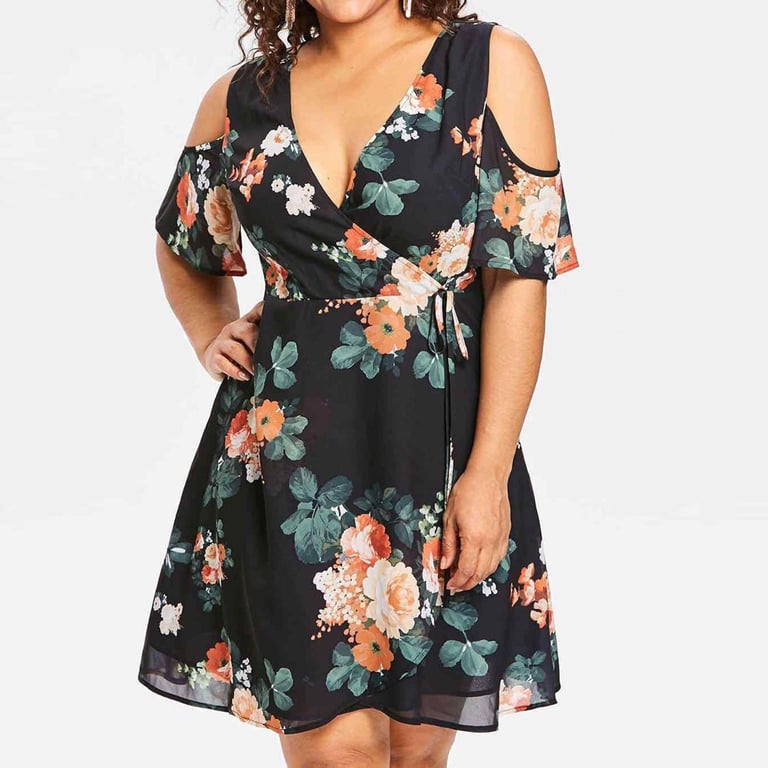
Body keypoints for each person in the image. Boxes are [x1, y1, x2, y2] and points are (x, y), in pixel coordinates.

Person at [137, 1, 580, 766]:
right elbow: (184, 242)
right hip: (288, 471)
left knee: (416, 753)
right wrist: (211, 332)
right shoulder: (240, 99)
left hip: (437, 455)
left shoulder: (488, 66)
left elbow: (519, 281)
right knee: (331, 750)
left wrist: (488, 474)